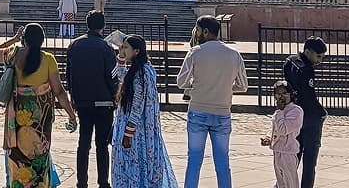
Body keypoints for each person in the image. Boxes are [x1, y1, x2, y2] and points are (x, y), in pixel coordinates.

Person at [0, 23, 78, 188]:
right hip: (40, 119)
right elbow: (59, 91)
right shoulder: (48, 59)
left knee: (17, 155)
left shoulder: (14, 54)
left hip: (18, 115)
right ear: (42, 40)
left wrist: (13, 40)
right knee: (39, 155)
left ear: (24, 39)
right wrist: (71, 115)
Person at [175, 15, 248, 188]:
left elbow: (181, 82)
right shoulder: (234, 54)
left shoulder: (195, 52)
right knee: (222, 162)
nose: (196, 33)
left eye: (198, 30)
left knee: (194, 161)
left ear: (206, 31)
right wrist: (225, 87)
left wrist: (197, 86)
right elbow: (243, 85)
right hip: (222, 112)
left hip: (198, 111)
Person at [112, 34, 178, 188]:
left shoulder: (142, 73)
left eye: (126, 47)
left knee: (134, 161)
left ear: (136, 51)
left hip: (137, 129)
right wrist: (120, 58)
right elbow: (122, 78)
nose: (123, 50)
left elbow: (138, 104)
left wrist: (128, 132)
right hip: (135, 126)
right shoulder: (140, 69)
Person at [66, 11, 118, 188]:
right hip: (104, 101)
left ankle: (81, 182)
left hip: (83, 101)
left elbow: (69, 75)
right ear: (103, 25)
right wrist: (115, 95)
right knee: (102, 144)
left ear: (87, 24)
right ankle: (103, 182)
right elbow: (112, 75)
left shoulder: (74, 45)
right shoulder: (106, 47)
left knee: (83, 143)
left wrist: (73, 96)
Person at [283, 36, 327, 188]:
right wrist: (322, 112)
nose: (320, 60)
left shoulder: (290, 61)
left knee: (292, 157)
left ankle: (285, 184)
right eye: (318, 56)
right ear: (308, 52)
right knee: (309, 160)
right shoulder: (306, 69)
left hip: (293, 114)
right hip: (309, 118)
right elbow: (309, 96)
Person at [261, 81, 304, 188]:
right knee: (281, 182)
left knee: (290, 182)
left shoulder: (296, 111)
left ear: (290, 94)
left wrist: (280, 111)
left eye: (285, 93)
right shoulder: (279, 112)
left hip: (288, 152)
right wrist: (268, 138)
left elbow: (283, 130)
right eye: (279, 94)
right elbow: (274, 128)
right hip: (277, 150)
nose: (282, 97)